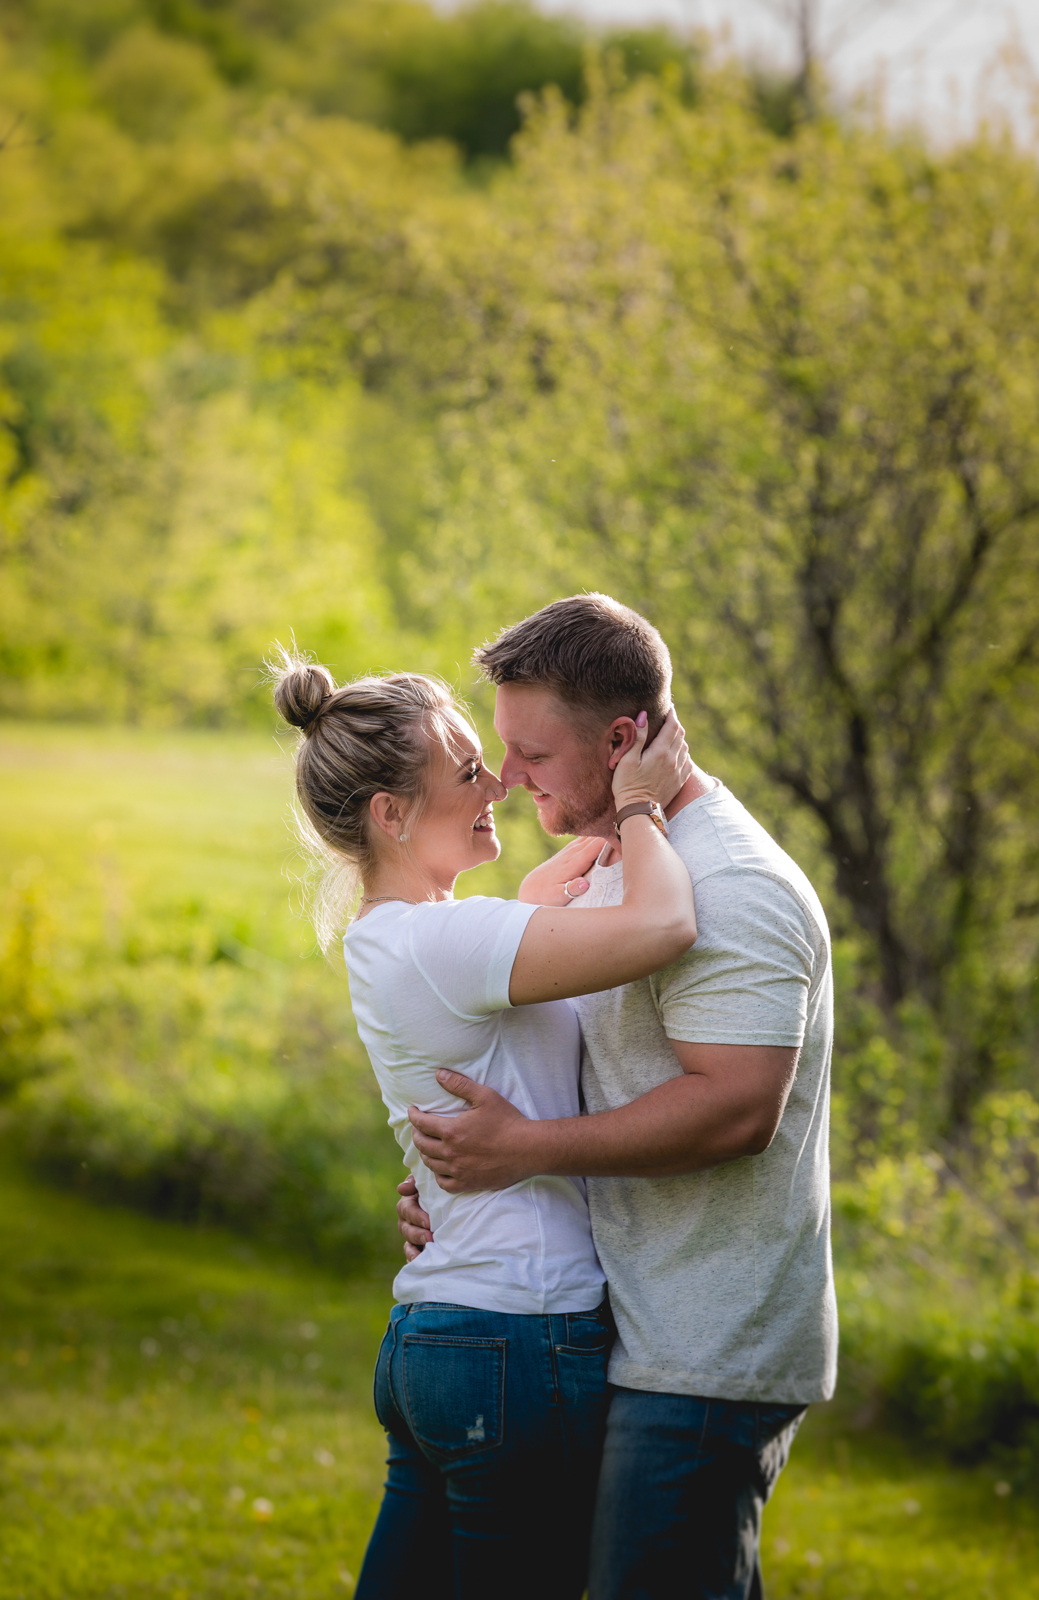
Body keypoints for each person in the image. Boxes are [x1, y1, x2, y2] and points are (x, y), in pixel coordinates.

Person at [396, 593, 838, 1600]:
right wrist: (464, 1188)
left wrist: (529, 1147)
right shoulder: (619, 868)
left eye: (534, 755)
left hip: (704, 1348)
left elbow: (735, 1107)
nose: (506, 779)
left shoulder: (729, 884)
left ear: (624, 737)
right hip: (621, 1330)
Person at [271, 651, 696, 1600]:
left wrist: (591, 836)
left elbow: (535, 909)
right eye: (467, 770)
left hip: (435, 1340)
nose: (497, 779)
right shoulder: (445, 944)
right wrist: (640, 805)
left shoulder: (403, 937)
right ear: (390, 814)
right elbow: (663, 927)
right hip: (518, 1339)